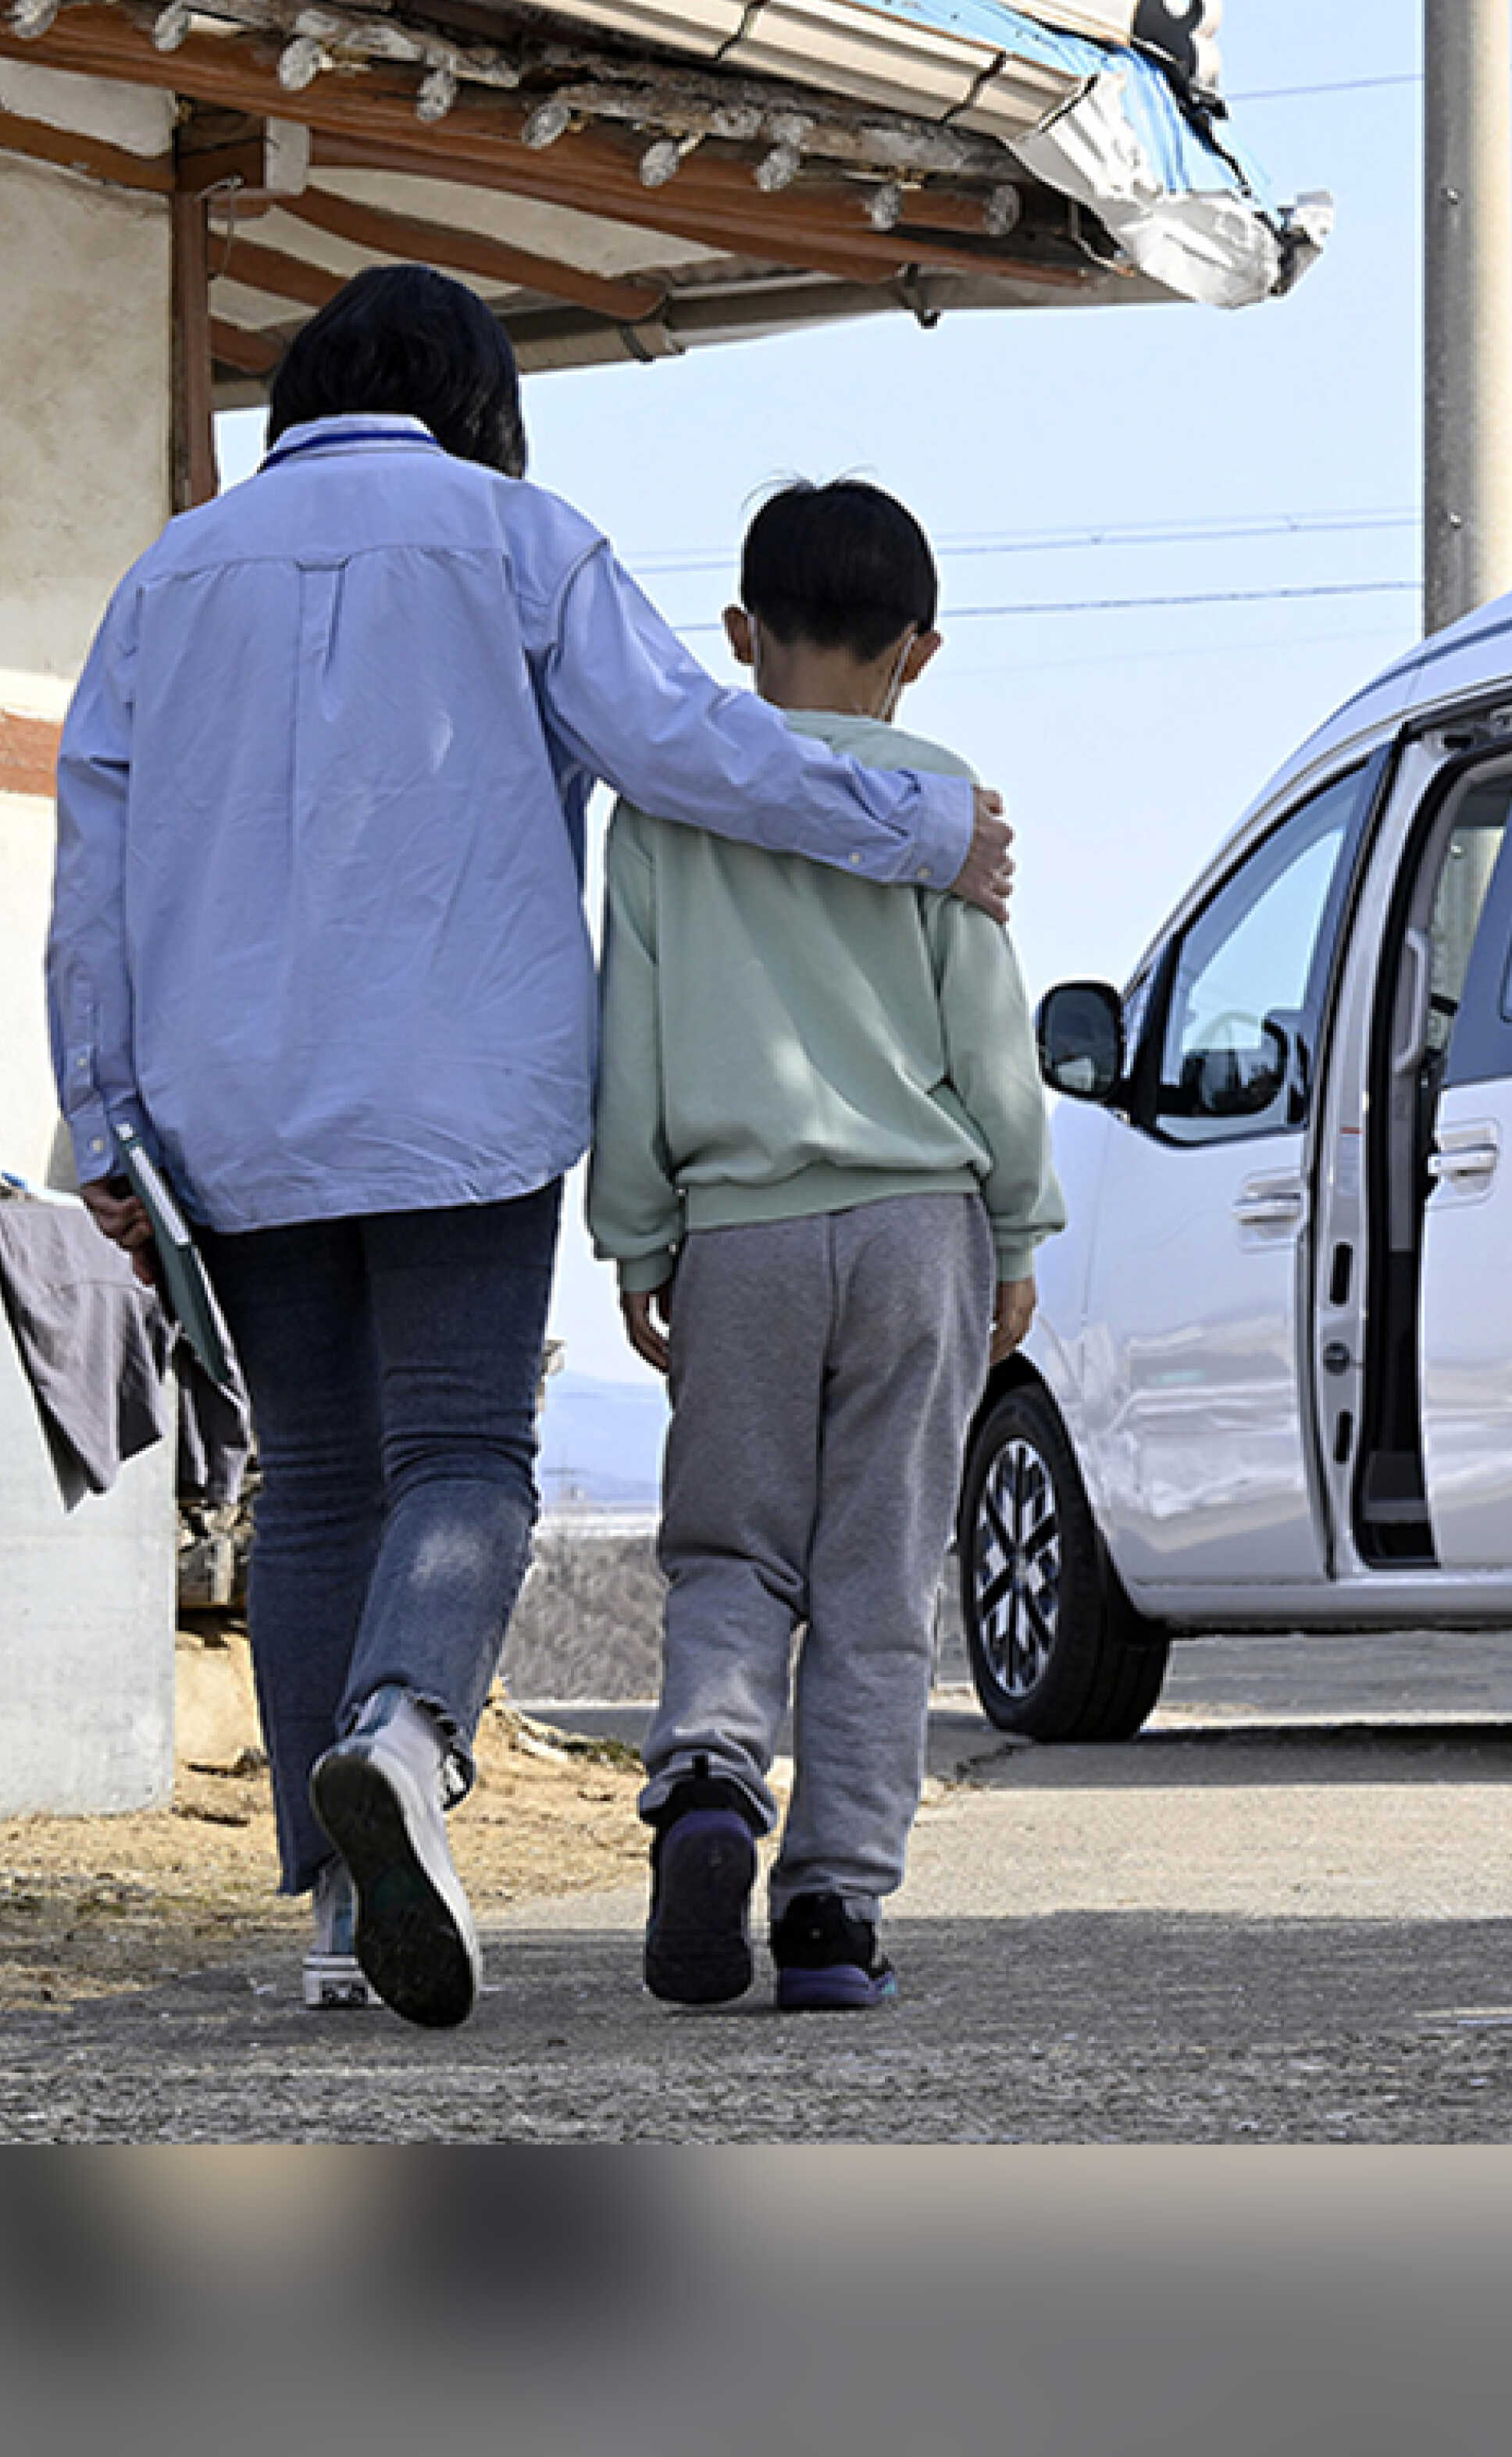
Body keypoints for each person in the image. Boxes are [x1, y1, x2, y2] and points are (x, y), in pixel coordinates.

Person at [42, 266, 1016, 2031]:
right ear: (483, 407)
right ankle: (406, 1736)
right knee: (465, 1453)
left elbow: (90, 864)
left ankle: (342, 1917)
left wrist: (101, 1117)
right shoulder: (518, 542)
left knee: (313, 1479)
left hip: (230, 1104)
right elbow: (693, 753)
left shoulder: (165, 576)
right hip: (463, 1096)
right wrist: (920, 823)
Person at [586, 477, 1054, 2013]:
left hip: (740, 1234)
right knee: (879, 1572)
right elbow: (990, 1050)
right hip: (920, 1228)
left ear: (739, 633)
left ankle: (710, 1779)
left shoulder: (667, 809)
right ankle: (833, 1913)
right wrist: (1015, 1228)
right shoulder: (944, 801)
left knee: (732, 1547)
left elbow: (632, 1036)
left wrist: (637, 1233)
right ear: (919, 649)